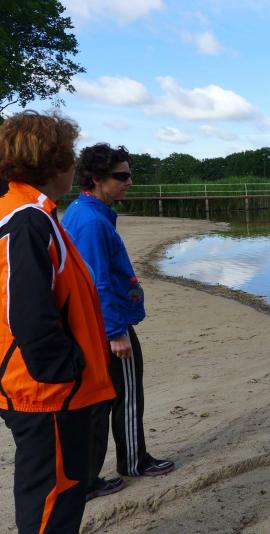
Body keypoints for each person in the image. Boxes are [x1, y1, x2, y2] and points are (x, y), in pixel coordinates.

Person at [0, 111, 117, 533]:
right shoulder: (28, 220)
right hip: (47, 394)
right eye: (69, 155)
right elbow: (28, 311)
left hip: (39, 388)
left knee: (49, 495)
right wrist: (65, 371)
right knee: (53, 503)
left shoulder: (28, 213)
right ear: (55, 163)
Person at [62, 143, 175, 488]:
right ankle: (134, 461)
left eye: (129, 175)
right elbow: (97, 282)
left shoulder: (83, 211)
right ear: (96, 178)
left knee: (100, 399)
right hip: (106, 325)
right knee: (126, 394)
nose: (129, 182)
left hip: (93, 323)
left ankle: (88, 478)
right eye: (121, 176)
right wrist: (116, 332)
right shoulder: (92, 221)